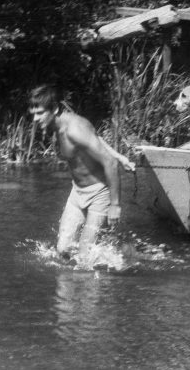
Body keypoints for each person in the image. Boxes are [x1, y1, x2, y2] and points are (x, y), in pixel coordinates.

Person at [28, 85, 122, 260]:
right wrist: (121, 156)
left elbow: (110, 162)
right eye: (33, 113)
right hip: (77, 192)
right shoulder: (56, 127)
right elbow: (97, 138)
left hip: (99, 193)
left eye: (40, 113)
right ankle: (68, 284)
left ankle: (101, 275)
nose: (35, 118)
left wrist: (115, 204)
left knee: (85, 256)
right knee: (62, 250)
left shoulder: (75, 129)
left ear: (54, 109)